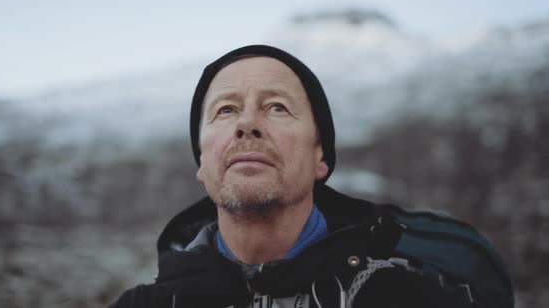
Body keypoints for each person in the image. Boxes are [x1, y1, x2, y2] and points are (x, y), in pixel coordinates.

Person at [109, 45, 513, 308]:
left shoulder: (403, 297)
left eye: (278, 108)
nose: (247, 123)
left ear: (322, 158)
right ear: (201, 163)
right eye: (225, 110)